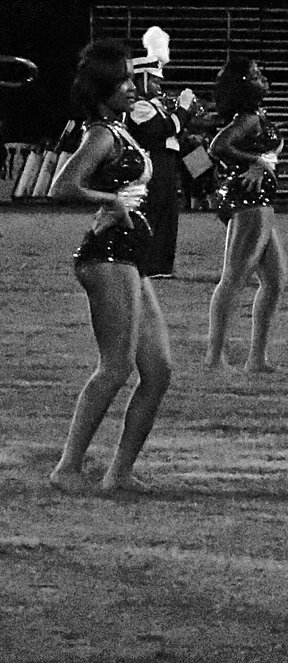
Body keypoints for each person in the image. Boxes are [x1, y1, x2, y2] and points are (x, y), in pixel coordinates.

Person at [49, 41, 177, 493]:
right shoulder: (102, 133)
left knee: (158, 370)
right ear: (104, 91)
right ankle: (67, 468)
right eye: (122, 81)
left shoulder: (120, 130)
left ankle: (118, 473)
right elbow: (63, 186)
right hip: (107, 258)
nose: (131, 86)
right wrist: (112, 202)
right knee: (116, 366)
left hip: (129, 259)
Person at [203, 54, 288, 378]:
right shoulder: (248, 118)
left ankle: (257, 359)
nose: (261, 76)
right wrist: (256, 160)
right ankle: (214, 359)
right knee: (234, 279)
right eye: (255, 74)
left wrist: (259, 160)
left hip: (259, 201)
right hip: (250, 202)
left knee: (275, 281)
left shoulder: (254, 116)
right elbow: (218, 146)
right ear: (243, 85)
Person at [125, 27, 186, 280]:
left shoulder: (153, 105)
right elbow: (162, 130)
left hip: (167, 162)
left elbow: (174, 132)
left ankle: (162, 265)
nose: (160, 86)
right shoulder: (138, 106)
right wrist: (181, 110)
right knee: (154, 209)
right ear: (143, 80)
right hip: (152, 162)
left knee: (169, 211)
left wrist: (179, 113)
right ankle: (147, 263)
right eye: (156, 81)